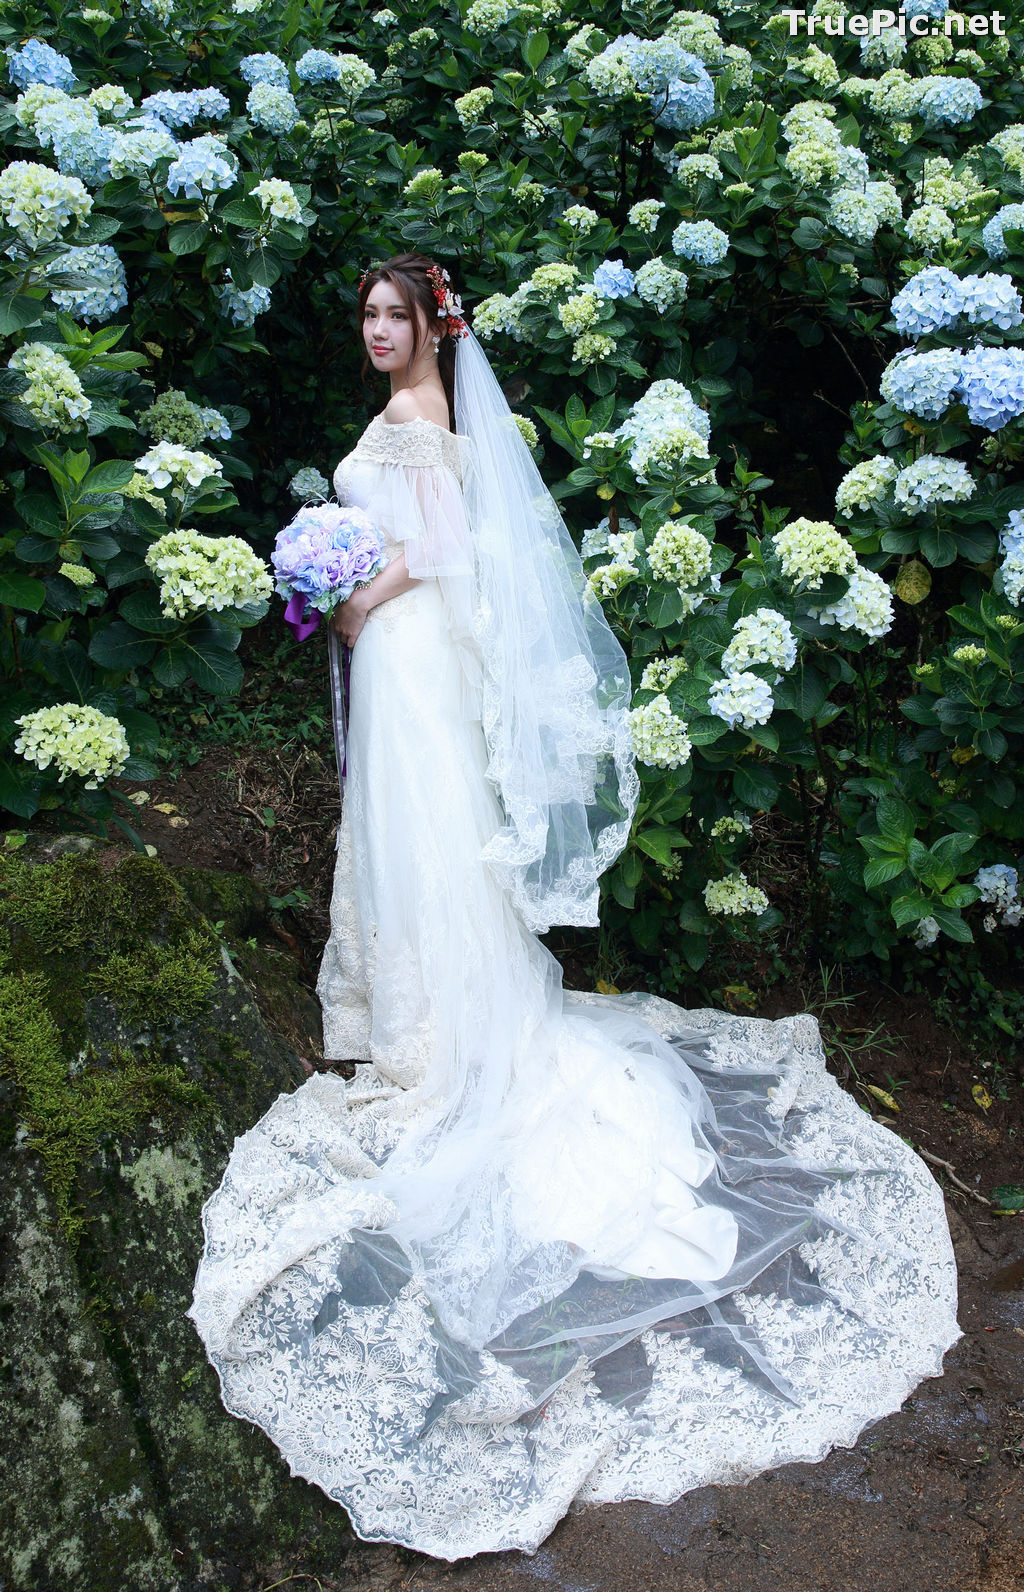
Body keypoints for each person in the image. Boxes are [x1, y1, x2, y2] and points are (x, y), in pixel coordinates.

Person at [188, 252, 960, 1562]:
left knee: (425, 855)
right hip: (400, 666)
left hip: (414, 659)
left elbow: (428, 557)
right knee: (409, 859)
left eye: (394, 315)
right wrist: (341, 599)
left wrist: (334, 596)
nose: (377, 333)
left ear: (433, 326)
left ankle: (440, 1051)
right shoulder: (397, 422)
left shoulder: (425, 426)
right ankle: (426, 1030)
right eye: (366, 317)